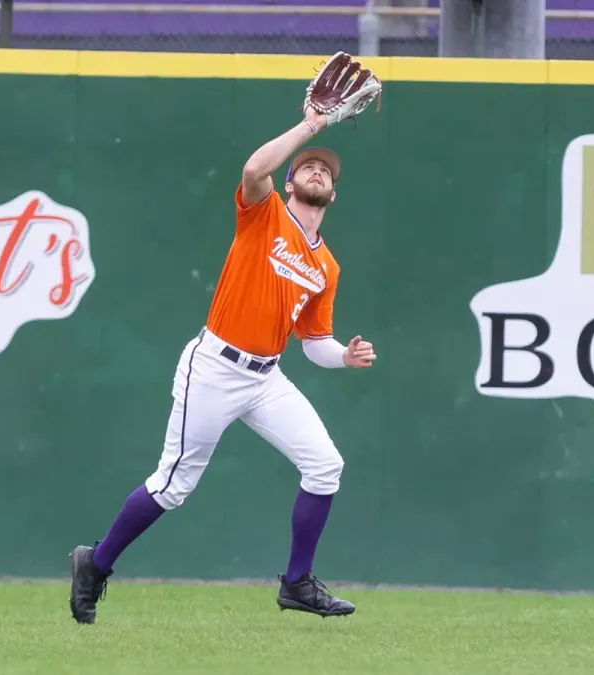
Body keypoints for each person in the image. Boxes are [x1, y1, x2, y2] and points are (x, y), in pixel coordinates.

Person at [68, 103, 376, 624]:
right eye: (308, 165)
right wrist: (311, 126)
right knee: (173, 486)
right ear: (293, 180)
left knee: (326, 468)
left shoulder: (326, 266)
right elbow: (256, 171)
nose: (318, 170)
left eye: (326, 170)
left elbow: (313, 341)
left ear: (334, 192)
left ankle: (297, 583)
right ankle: (94, 566)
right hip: (214, 368)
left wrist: (342, 356)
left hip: (266, 377)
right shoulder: (265, 212)